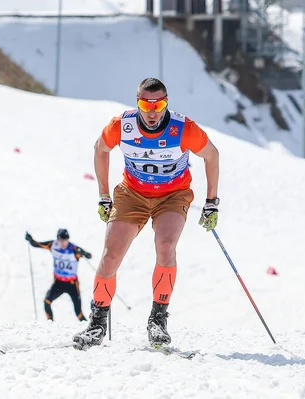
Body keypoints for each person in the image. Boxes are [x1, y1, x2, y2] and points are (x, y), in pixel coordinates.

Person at [73, 77, 220, 349]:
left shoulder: (183, 128)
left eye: (159, 104)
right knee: (111, 254)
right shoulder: (123, 125)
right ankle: (96, 325)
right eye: (145, 103)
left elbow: (211, 155)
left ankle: (158, 321)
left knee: (165, 246)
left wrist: (212, 202)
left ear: (166, 103)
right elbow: (100, 149)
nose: (152, 112)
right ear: (137, 102)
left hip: (172, 196)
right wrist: (104, 196)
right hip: (132, 194)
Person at [26, 229, 93, 322]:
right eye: (61, 240)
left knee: (78, 312)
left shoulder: (73, 249)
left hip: (72, 284)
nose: (63, 243)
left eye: (65, 240)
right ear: (57, 239)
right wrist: (30, 239)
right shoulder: (53, 245)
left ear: (68, 240)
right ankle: (50, 324)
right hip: (58, 282)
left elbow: (89, 256)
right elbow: (36, 244)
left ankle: (88, 328)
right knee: (47, 302)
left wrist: (83, 253)